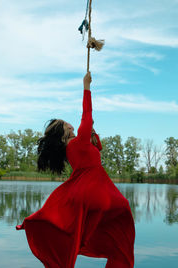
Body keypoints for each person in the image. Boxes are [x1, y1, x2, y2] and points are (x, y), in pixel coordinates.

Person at [16, 72, 135, 268]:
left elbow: (98, 148)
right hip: (97, 190)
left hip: (90, 191)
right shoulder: (77, 142)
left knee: (109, 227)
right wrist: (86, 87)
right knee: (122, 224)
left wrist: (92, 130)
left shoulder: (75, 146)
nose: (69, 123)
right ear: (63, 132)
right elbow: (86, 114)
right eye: (65, 123)